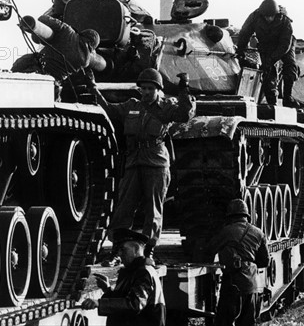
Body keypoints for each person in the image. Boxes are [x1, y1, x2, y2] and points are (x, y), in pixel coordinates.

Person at [88, 68, 195, 265]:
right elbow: (109, 109)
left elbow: (184, 114)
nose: (145, 92)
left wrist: (184, 89)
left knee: (153, 209)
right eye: (143, 88)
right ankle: (118, 250)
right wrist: (94, 89)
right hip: (133, 162)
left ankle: (149, 250)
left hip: (156, 163)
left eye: (150, 88)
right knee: (123, 208)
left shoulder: (166, 107)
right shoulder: (131, 106)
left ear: (158, 90)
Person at [205, 199, 270, 326]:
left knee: (224, 322)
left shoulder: (226, 231)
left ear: (230, 216)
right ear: (246, 215)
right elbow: (265, 261)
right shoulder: (258, 233)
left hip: (232, 284)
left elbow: (210, 249)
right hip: (252, 285)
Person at [81, 228, 166, 326]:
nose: (119, 254)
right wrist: (107, 290)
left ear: (136, 249)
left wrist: (100, 303)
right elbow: (124, 302)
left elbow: (135, 304)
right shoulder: (132, 270)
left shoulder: (144, 272)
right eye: (118, 250)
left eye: (123, 249)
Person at [12, 15, 101, 99]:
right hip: (52, 85)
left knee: (21, 65)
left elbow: (43, 19)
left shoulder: (67, 31)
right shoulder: (86, 61)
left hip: (33, 69)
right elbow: (87, 75)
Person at [236, 0, 299, 107]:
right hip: (266, 43)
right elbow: (244, 33)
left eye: (271, 16)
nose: (268, 18)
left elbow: (285, 45)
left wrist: (273, 58)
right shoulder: (255, 17)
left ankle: (288, 97)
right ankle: (271, 100)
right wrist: (241, 50)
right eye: (266, 16)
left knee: (290, 65)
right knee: (267, 70)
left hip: (285, 43)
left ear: (276, 14)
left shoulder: (285, 21)